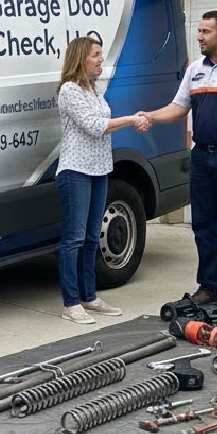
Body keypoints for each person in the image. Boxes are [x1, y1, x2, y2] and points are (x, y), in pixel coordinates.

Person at [137, 10, 217, 317]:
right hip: (202, 156)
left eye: (205, 31)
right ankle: (210, 288)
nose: (199, 36)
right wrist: (150, 117)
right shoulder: (196, 69)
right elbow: (178, 107)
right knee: (203, 226)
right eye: (199, 31)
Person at [55, 36, 148, 324]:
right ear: (80, 58)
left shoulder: (94, 90)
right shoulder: (69, 91)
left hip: (99, 170)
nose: (100, 60)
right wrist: (132, 119)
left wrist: (133, 119)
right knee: (74, 238)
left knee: (93, 237)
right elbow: (95, 127)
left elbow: (102, 124)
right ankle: (71, 303)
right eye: (95, 55)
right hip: (75, 172)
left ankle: (89, 296)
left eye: (100, 54)